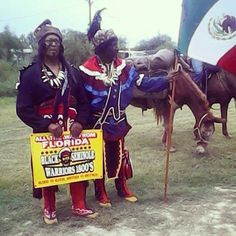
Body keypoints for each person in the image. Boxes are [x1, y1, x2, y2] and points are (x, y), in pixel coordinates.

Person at [78, 10, 175, 207]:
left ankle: (122, 188)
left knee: (119, 154)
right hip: (96, 123)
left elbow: (143, 83)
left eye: (116, 44)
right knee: (99, 157)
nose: (117, 48)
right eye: (113, 45)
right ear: (103, 48)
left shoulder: (124, 67)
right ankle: (100, 192)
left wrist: (166, 80)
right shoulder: (87, 70)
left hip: (118, 122)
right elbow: (80, 99)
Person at [16, 19, 97, 224]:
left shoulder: (72, 72)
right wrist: (46, 125)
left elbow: (85, 102)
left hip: (72, 131)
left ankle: (79, 204)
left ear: (61, 45)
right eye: (48, 41)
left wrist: (79, 121)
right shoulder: (30, 74)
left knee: (76, 164)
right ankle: (49, 207)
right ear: (41, 44)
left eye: (56, 41)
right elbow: (23, 109)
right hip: (46, 131)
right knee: (48, 165)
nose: (53, 44)